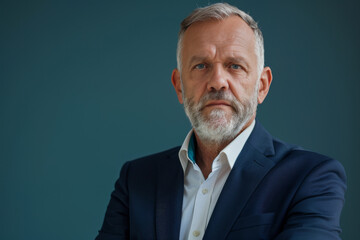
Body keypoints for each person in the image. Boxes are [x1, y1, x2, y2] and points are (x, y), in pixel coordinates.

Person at [95, 3, 346, 240]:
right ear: (179, 86)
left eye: (234, 66)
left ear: (262, 85)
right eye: (201, 65)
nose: (217, 81)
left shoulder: (312, 178)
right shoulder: (136, 179)